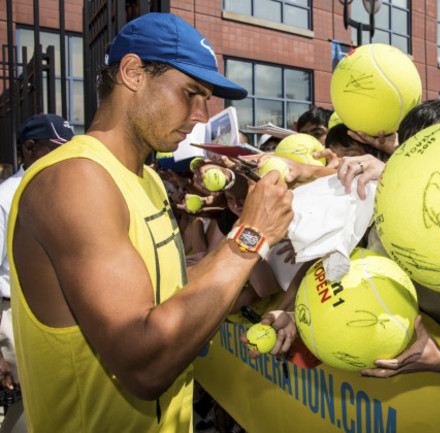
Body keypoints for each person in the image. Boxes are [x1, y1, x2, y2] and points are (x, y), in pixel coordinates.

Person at [8, 13, 293, 432]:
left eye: (206, 98)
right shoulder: (74, 179)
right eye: (191, 93)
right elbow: (145, 365)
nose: (201, 113)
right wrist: (250, 236)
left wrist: (267, 288)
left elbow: (168, 292)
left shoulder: (148, 181)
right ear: (133, 72)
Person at [0, 113, 74, 433]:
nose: (66, 158)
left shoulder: (64, 190)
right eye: (56, 149)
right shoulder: (5, 197)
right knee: (23, 415)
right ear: (29, 149)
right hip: (13, 316)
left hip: (57, 317)